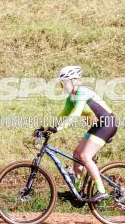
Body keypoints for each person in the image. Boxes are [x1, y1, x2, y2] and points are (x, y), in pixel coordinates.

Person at [47, 65, 117, 204]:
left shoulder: (82, 92)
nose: (63, 85)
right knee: (77, 153)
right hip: (98, 125)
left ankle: (102, 191)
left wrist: (58, 129)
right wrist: (48, 128)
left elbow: (75, 114)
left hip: (107, 123)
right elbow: (63, 114)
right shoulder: (71, 98)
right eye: (62, 82)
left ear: (74, 81)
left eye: (65, 82)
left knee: (85, 156)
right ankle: (77, 191)